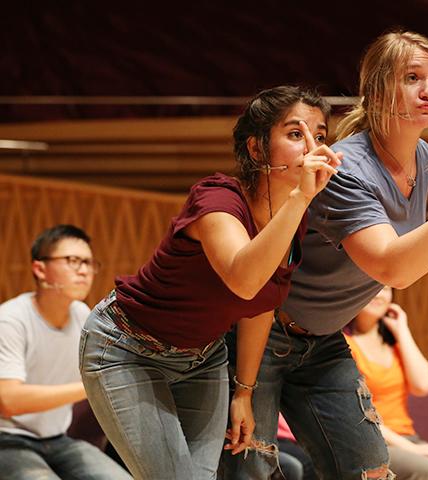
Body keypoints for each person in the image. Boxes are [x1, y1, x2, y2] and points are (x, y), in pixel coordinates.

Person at [221, 30, 428, 480]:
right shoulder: (346, 166)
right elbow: (392, 266)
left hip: (324, 341)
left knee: (370, 471)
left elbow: (406, 258)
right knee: (252, 472)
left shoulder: (424, 159)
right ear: (375, 90)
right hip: (264, 334)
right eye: (412, 77)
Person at [79, 85, 341, 479]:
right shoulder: (217, 199)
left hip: (203, 361)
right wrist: (301, 199)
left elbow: (261, 305)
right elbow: (245, 280)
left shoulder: (292, 218)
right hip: (127, 348)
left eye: (319, 136)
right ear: (256, 150)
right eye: (295, 134)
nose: (312, 147)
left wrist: (243, 393)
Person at [0, 225, 131, 480]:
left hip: (58, 440)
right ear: (40, 269)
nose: (84, 271)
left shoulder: (81, 314)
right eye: (73, 261)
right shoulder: (11, 319)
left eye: (89, 263)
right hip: (7, 440)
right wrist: (90, 387)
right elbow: (8, 401)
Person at [346, 286, 428, 480]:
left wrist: (402, 329)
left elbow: (423, 385)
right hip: (371, 441)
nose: (379, 294)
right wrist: (412, 449)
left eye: (385, 289)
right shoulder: (344, 345)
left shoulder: (394, 344)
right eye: (371, 287)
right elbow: (354, 413)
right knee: (427, 471)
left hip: (405, 436)